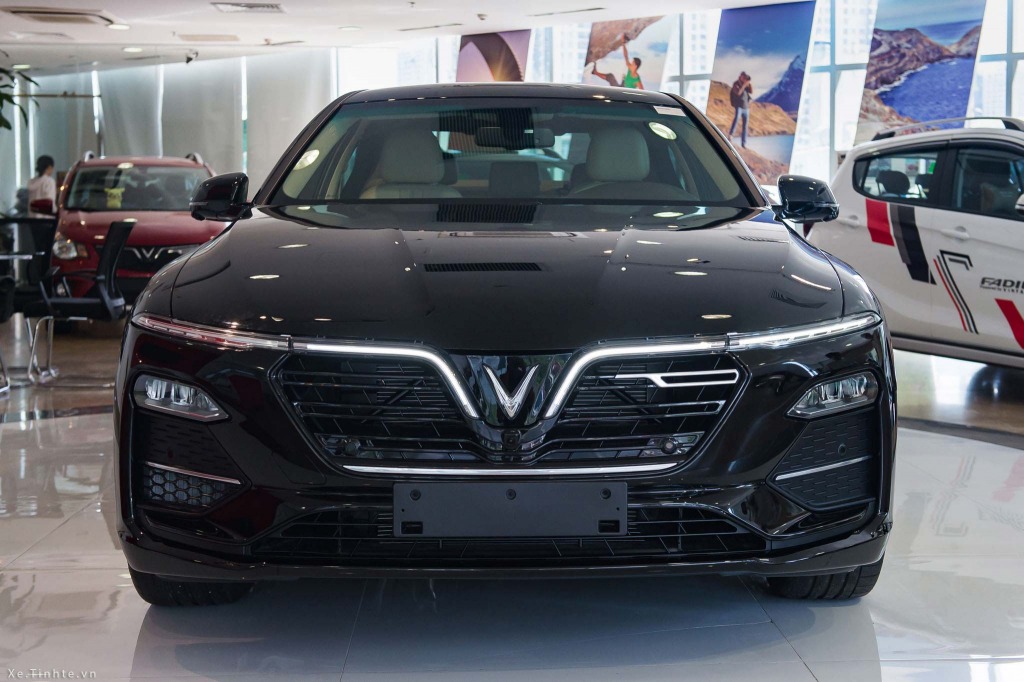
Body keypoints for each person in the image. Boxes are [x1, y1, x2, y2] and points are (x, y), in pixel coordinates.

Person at [728, 72, 753, 148]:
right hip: (739, 107)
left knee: (745, 126)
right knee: (736, 120)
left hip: (746, 108)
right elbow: (738, 93)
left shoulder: (746, 84)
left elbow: (751, 92)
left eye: (745, 78)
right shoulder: (736, 84)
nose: (745, 79)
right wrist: (744, 85)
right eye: (744, 77)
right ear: (740, 76)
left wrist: (749, 83)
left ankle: (743, 143)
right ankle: (731, 135)